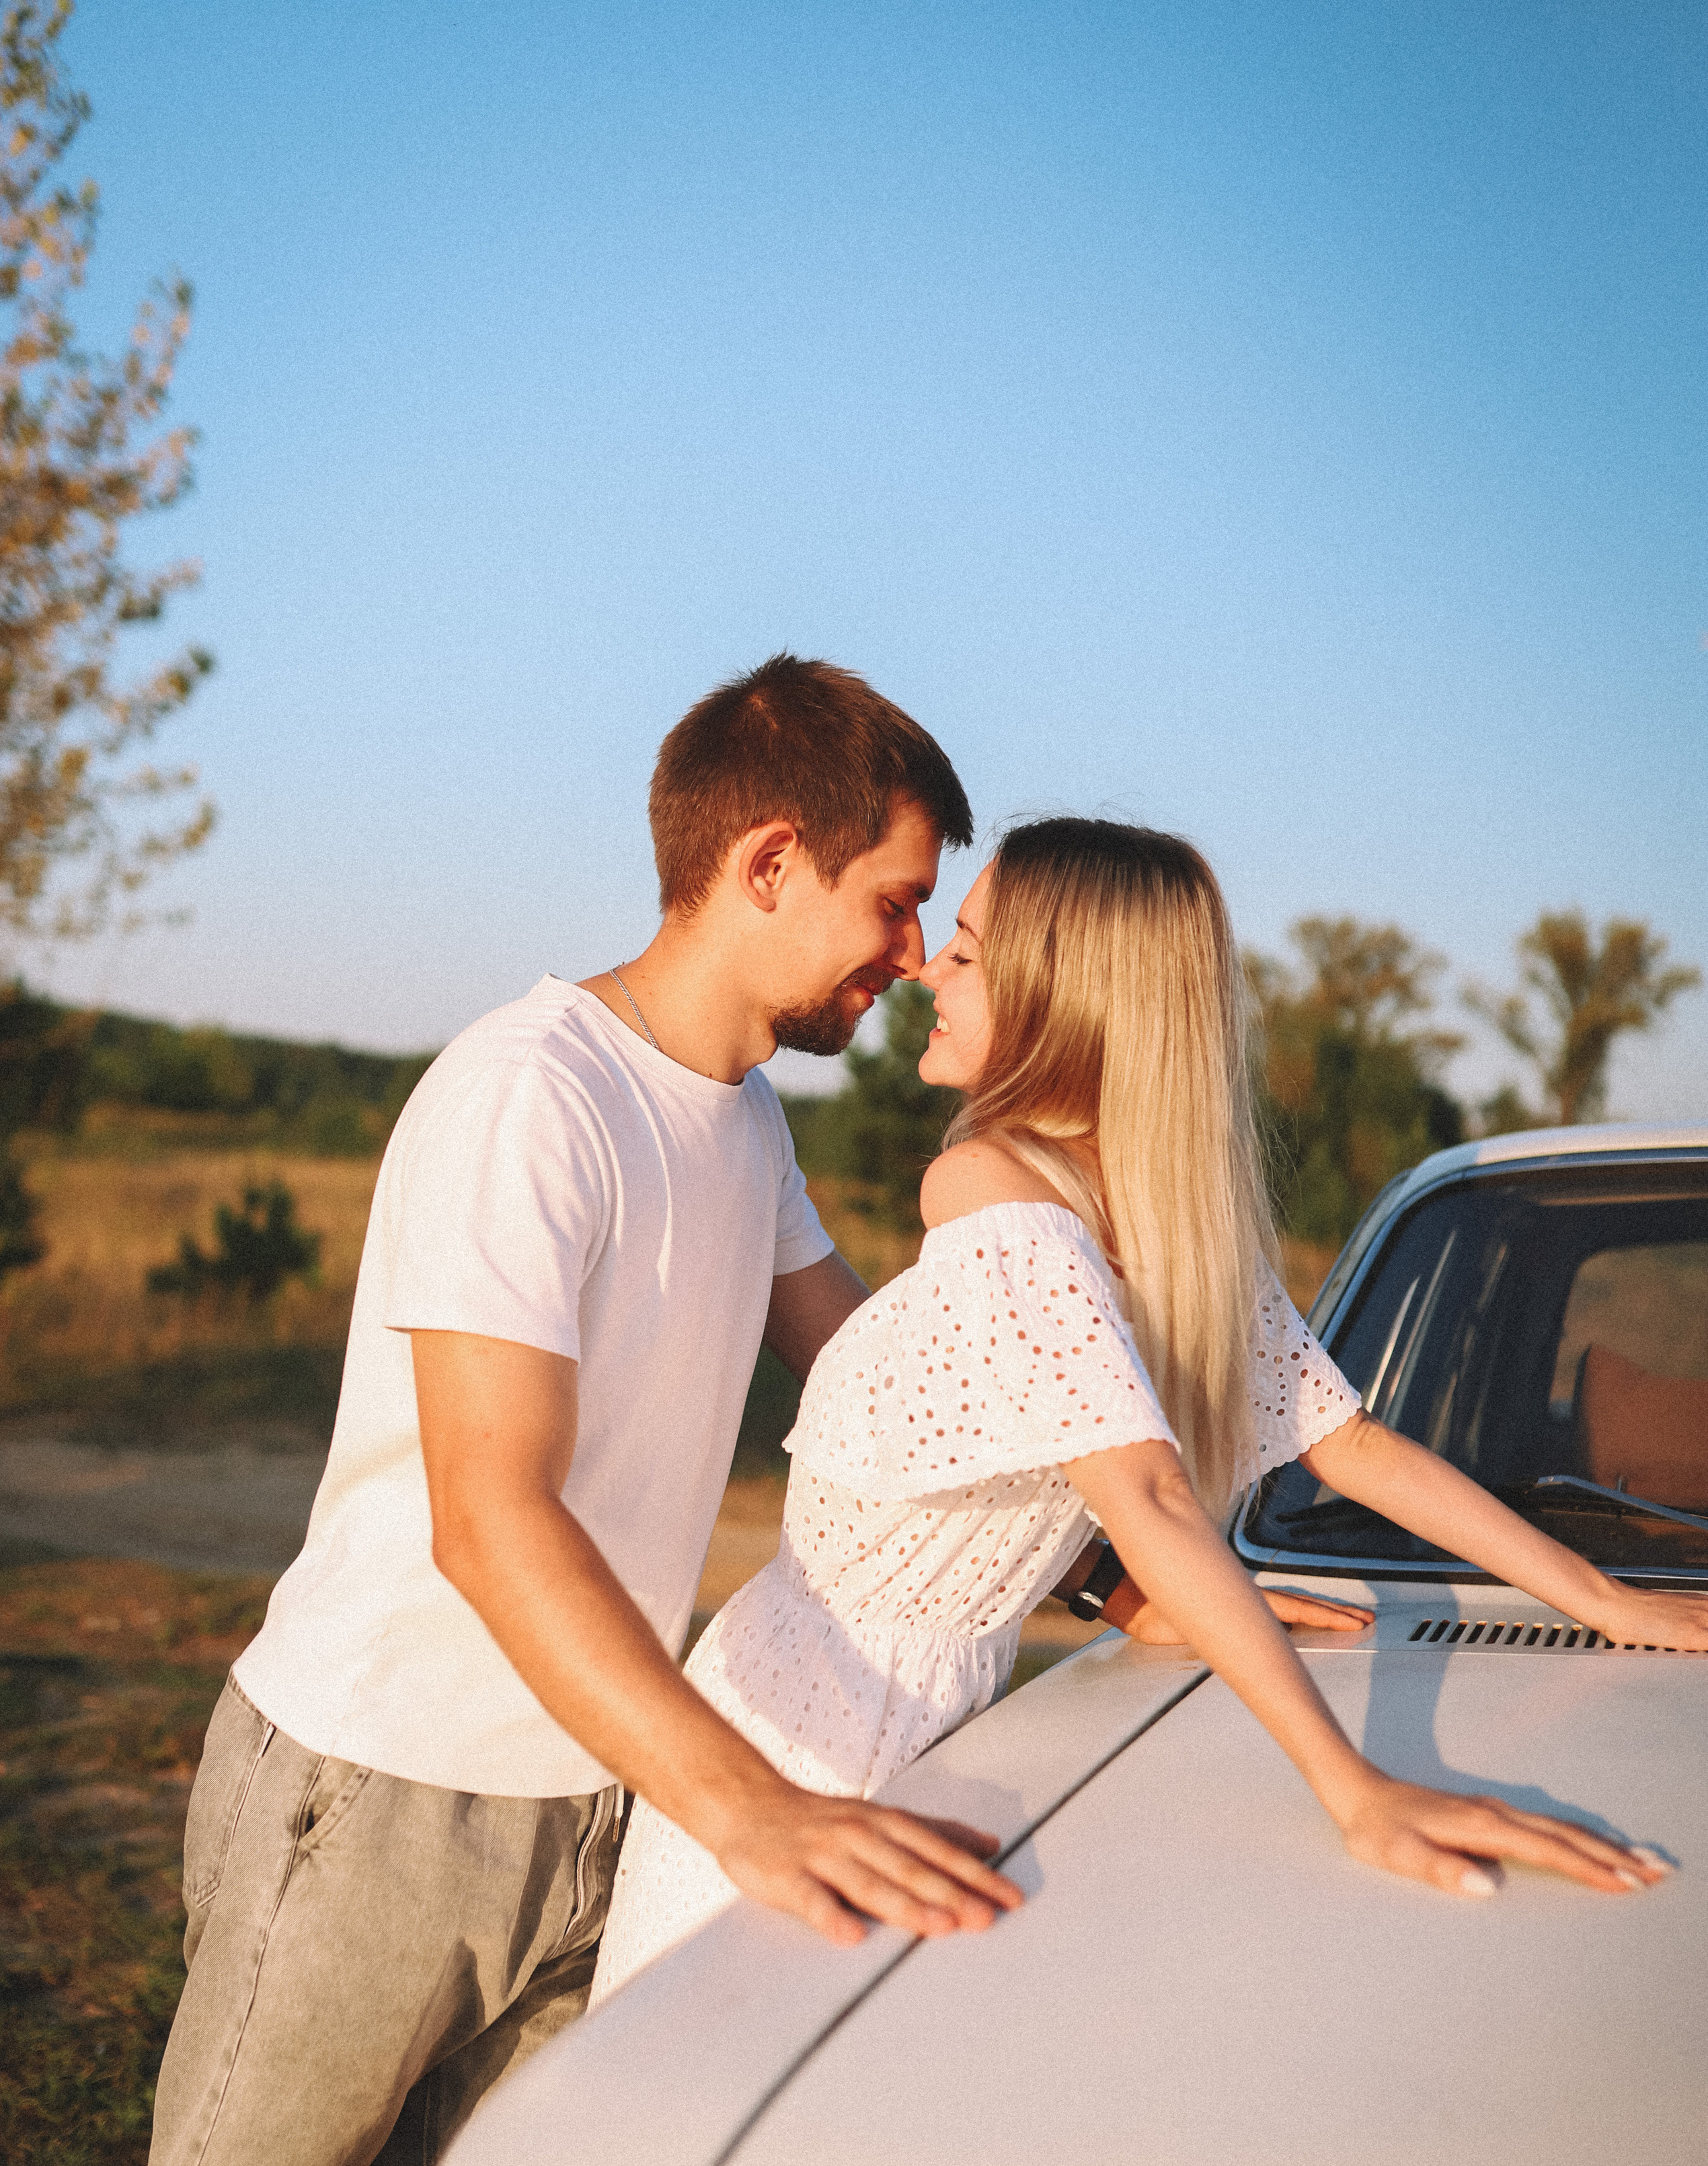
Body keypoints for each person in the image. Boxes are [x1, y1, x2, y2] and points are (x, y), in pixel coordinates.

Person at [0, 657, 1028, 2166]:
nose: (909, 955)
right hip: (377, 1787)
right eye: (896, 903)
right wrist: (748, 1809)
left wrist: (1129, 1535)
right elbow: (491, 1520)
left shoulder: (745, 1126)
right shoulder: (526, 1096)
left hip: (590, 1794)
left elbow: (876, 1380)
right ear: (769, 862)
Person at [592, 818, 1699, 1999]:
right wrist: (1355, 1788)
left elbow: (1353, 1447)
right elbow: (1151, 1492)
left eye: (967, 949)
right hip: (792, 1736)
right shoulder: (987, 1189)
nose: (926, 970)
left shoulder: (1156, 1222)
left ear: (1067, 997)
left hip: (935, 1724)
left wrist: (1600, 1600)